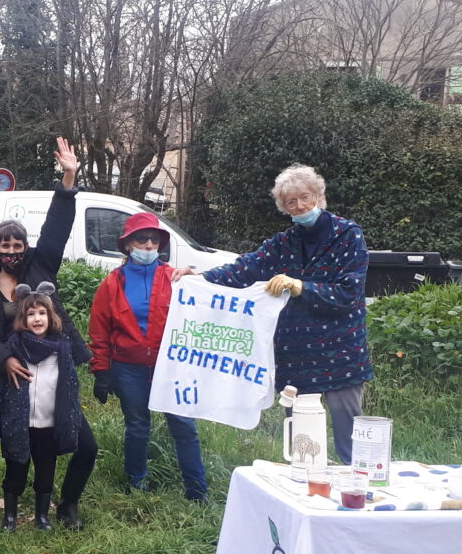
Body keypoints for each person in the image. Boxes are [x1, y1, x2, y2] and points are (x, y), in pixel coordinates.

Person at [195, 164, 372, 464]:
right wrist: (198, 278)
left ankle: (356, 492)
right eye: (292, 202)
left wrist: (302, 287)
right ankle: (307, 493)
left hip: (341, 353)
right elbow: (245, 268)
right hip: (297, 356)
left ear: (319, 195)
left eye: (305, 197)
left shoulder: (347, 234)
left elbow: (349, 292)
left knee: (350, 439)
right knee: (303, 441)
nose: (300, 205)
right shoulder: (284, 242)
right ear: (284, 208)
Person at [0, 137, 85, 524]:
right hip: (4, 370)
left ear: (25, 245)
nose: (11, 251)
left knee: (80, 445)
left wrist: (68, 178)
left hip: (50, 367)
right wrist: (4, 358)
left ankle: (64, 505)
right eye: (4, 245)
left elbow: (57, 227)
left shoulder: (41, 265)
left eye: (17, 243)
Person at [89, 213, 208, 501]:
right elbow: (100, 331)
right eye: (142, 239)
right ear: (128, 244)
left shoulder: (175, 278)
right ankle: (137, 483)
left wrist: (200, 279)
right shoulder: (112, 283)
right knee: (138, 425)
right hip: (128, 368)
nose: (149, 245)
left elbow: (206, 308)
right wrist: (102, 372)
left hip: (170, 367)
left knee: (183, 425)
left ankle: (197, 489)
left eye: (154, 240)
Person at [0, 287, 96, 531]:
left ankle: (42, 516)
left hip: (49, 423)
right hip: (20, 422)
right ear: (22, 319)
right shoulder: (14, 348)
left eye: (42, 313)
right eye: (30, 314)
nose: (37, 319)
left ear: (51, 317)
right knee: (16, 468)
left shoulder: (61, 347)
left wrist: (69, 418)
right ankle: (10, 516)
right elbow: (0, 388)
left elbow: (71, 385)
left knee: (46, 470)